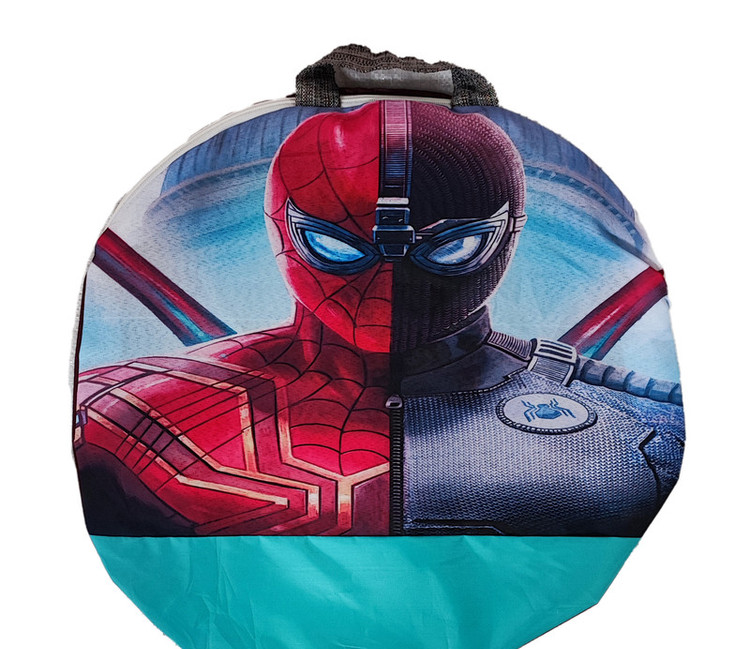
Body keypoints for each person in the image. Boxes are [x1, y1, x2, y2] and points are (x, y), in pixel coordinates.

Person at [75, 100, 684, 537]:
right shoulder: (119, 415)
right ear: (283, 230)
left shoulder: (642, 424)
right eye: (338, 245)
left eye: (450, 247)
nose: (390, 286)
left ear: (508, 235)